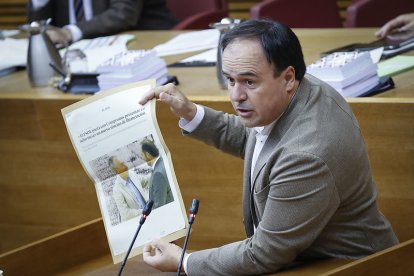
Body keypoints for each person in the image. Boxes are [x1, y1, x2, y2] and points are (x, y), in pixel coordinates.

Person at [139, 19, 399, 275]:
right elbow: (254, 139)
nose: (236, 95)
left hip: (351, 267)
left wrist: (184, 261)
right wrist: (191, 112)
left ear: (287, 78)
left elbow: (263, 254)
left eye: (249, 82)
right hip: (307, 258)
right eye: (230, 80)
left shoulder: (306, 155)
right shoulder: (301, 90)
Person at [27, 0, 178, 46]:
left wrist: (69, 33)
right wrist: (40, 3)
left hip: (142, 44)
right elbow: (40, 30)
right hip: (79, 52)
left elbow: (124, 13)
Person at [109, 156, 148, 222]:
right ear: (116, 170)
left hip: (148, 213)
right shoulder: (117, 190)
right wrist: (143, 211)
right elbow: (125, 214)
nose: (126, 166)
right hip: (137, 221)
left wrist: (157, 171)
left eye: (124, 163)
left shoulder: (132, 174)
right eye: (122, 165)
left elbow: (145, 181)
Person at [140, 139, 174, 209]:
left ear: (148, 155)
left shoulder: (158, 174)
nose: (142, 158)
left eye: (142, 155)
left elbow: (159, 206)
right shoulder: (162, 162)